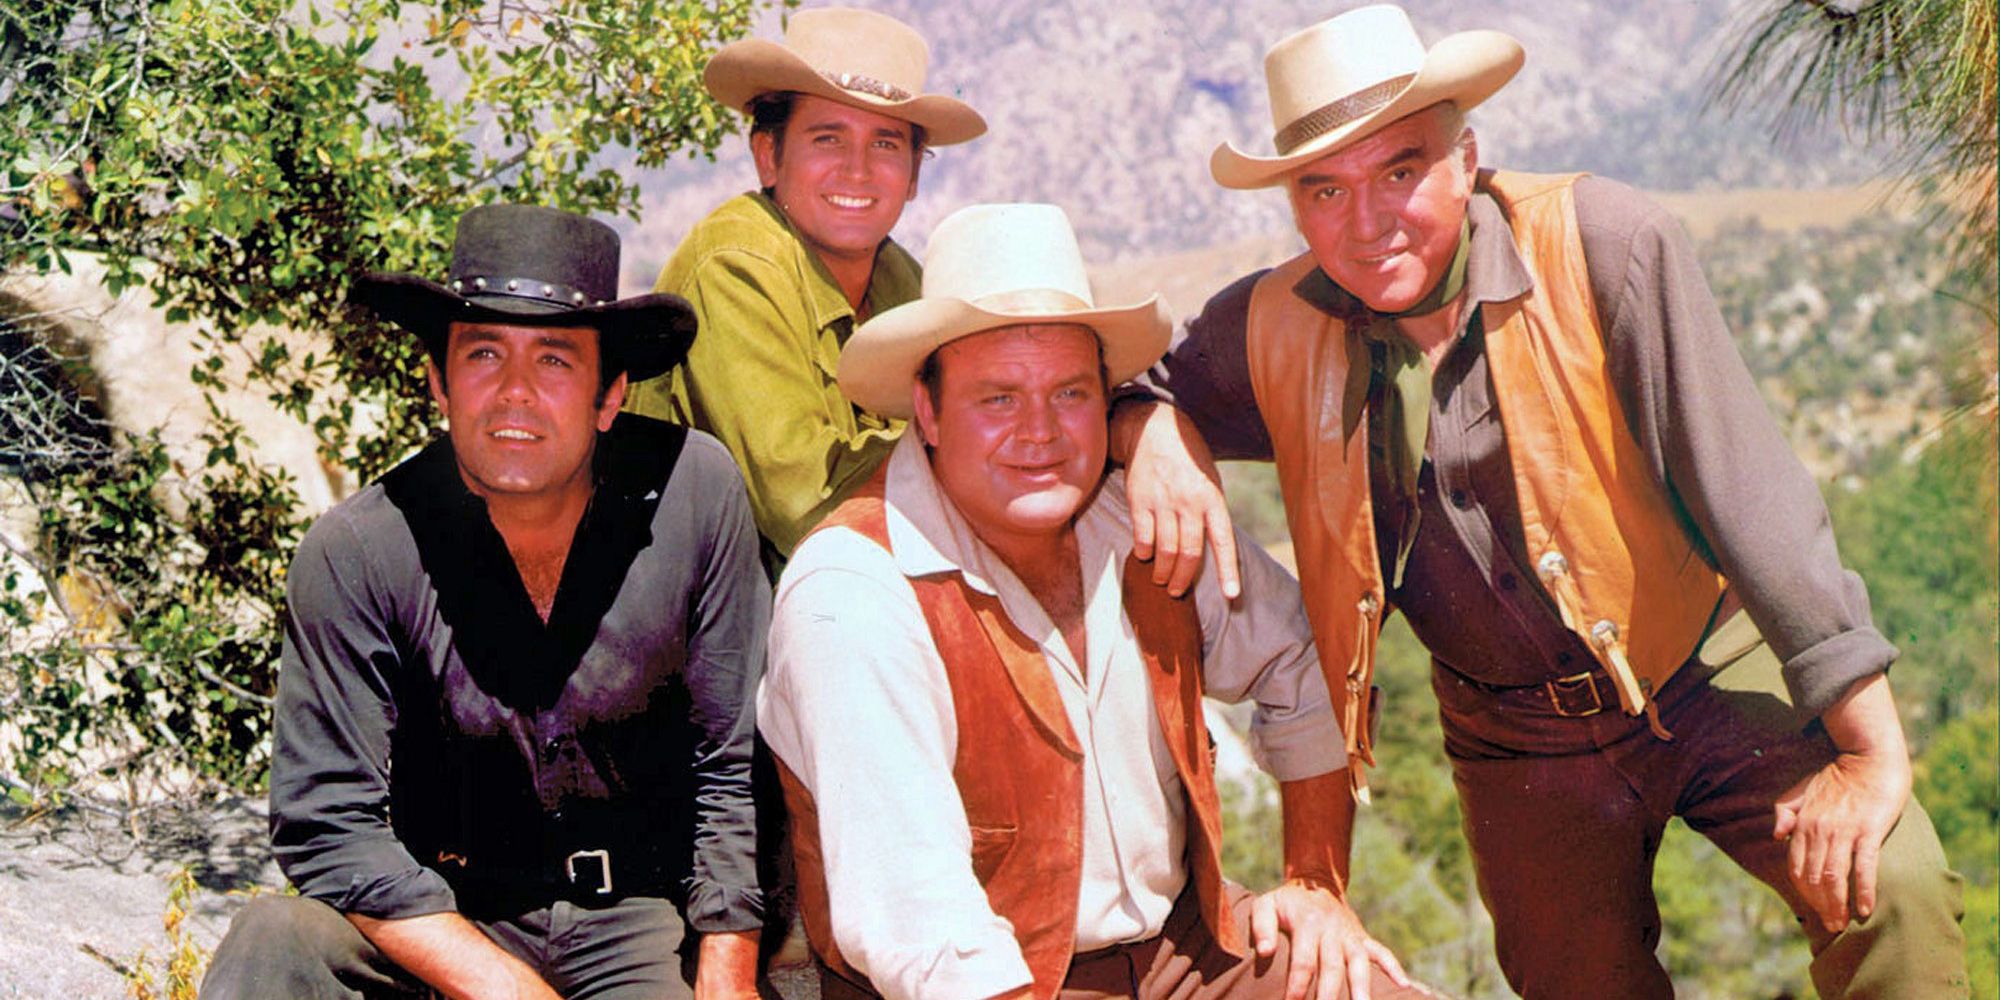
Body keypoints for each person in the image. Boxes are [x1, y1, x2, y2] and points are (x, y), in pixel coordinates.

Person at [1110, 6, 1967, 997]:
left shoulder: (1601, 242)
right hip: (1515, 740)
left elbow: (1755, 498)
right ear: (1295, 209)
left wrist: (1870, 751)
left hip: (1702, 668)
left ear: (1464, 154)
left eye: (1400, 169)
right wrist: (1153, 432)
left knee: (1888, 887)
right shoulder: (1268, 327)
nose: (1366, 219)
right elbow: (1117, 385)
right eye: (1323, 189)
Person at [760, 203, 1433, 1000]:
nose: (1040, 432)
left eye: (1071, 393)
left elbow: (1303, 655)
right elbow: (920, 930)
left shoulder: (1136, 516)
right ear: (929, 411)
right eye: (998, 399)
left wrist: (1315, 880)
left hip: (1186, 956)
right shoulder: (854, 591)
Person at [198, 204, 770, 999]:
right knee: (277, 941)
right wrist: (501, 988)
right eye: (484, 354)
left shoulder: (694, 492)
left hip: (636, 921)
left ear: (611, 396)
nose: (515, 393)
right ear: (436, 381)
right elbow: (328, 823)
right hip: (443, 921)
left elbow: (728, 759)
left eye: (556, 362)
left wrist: (727, 972)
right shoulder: (358, 550)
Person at [622, 6, 984, 576]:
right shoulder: (736, 264)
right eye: (827, 139)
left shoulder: (904, 282)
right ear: (768, 155)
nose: (857, 170)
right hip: (698, 625)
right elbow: (806, 505)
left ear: (914, 175)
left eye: (886, 144)